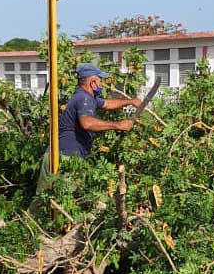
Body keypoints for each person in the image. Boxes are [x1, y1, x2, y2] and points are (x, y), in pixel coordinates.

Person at [34, 64, 141, 204]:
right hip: (66, 158)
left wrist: (131, 102)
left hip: (56, 154)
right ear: (92, 82)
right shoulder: (84, 98)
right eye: (100, 80)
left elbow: (107, 104)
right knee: (65, 202)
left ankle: (33, 221)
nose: (102, 84)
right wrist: (118, 124)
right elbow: (87, 123)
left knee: (44, 200)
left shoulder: (86, 97)